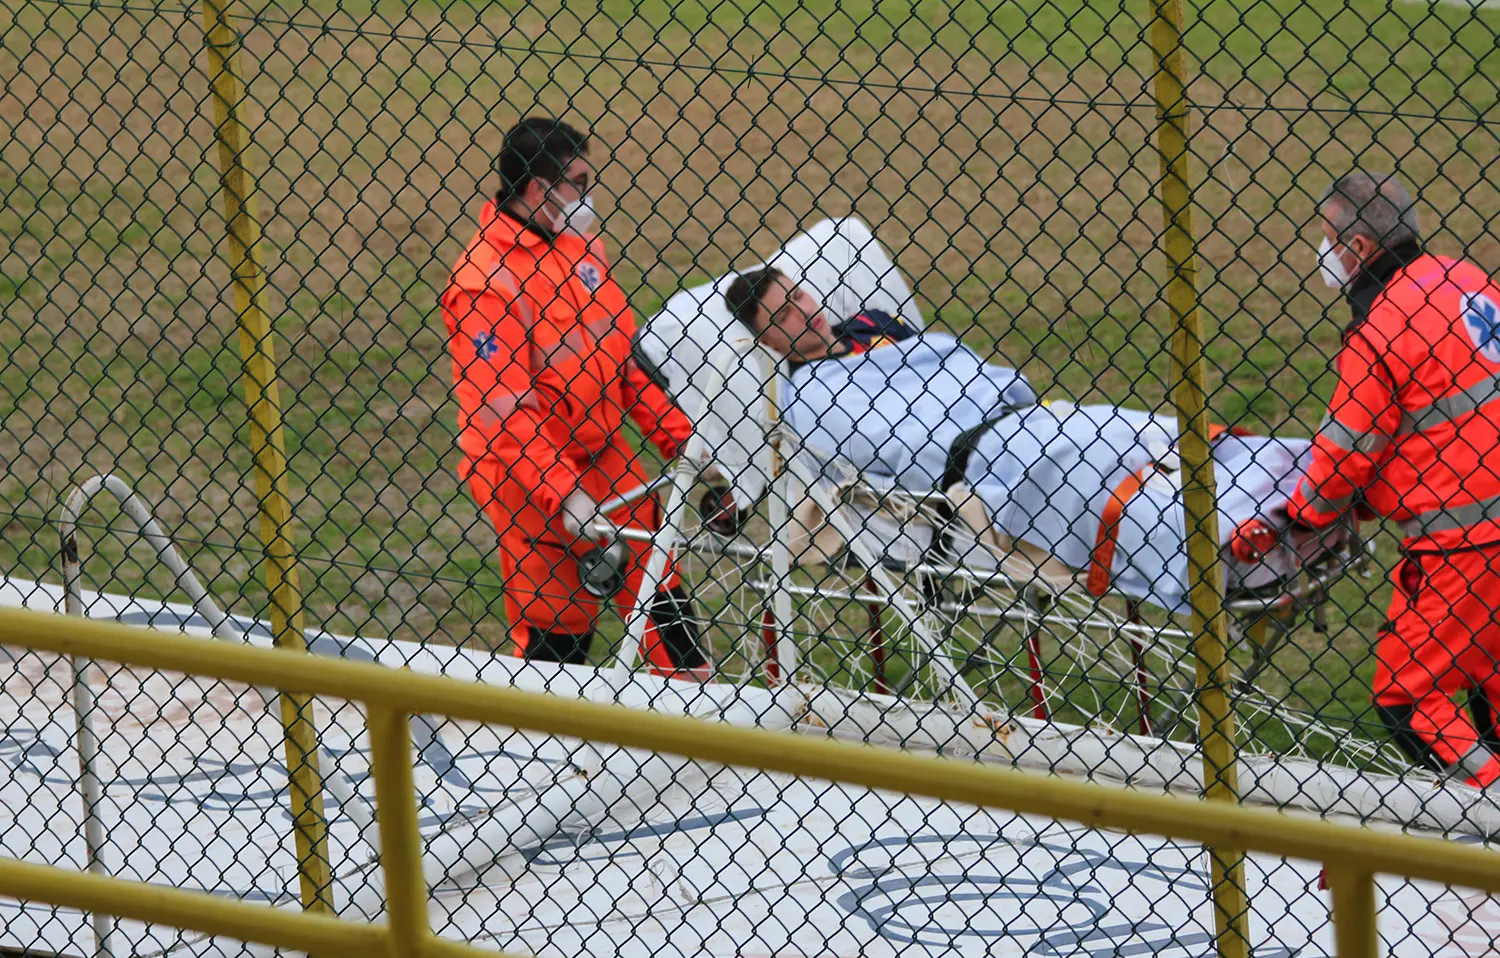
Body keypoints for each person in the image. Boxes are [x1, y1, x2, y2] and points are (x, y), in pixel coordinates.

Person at [722, 267, 1324, 612]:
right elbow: (889, 446)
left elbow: (953, 359)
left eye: (798, 296)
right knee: (1092, 476)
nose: (803, 313)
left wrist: (986, 393)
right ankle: (1233, 542)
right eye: (783, 317)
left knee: (1130, 429)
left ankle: (1294, 475)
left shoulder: (874, 326)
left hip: (1024, 415)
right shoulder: (808, 397)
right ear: (768, 341)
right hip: (984, 457)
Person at [1231, 171, 1500, 787]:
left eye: (1325, 238)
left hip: (1465, 543)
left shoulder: (1380, 329)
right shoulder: (1464, 279)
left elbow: (1347, 454)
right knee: (1493, 683)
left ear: (1355, 248)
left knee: (1408, 698)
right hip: (1482, 520)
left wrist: (1300, 515)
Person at [441, 117, 710, 677]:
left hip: (605, 457)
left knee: (664, 606)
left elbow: (623, 361)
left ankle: (695, 723)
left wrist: (684, 442)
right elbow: (506, 413)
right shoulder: (483, 283)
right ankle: (552, 759)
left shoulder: (582, 248)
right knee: (558, 636)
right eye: (580, 181)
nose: (588, 193)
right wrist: (564, 495)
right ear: (542, 189)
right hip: (525, 476)